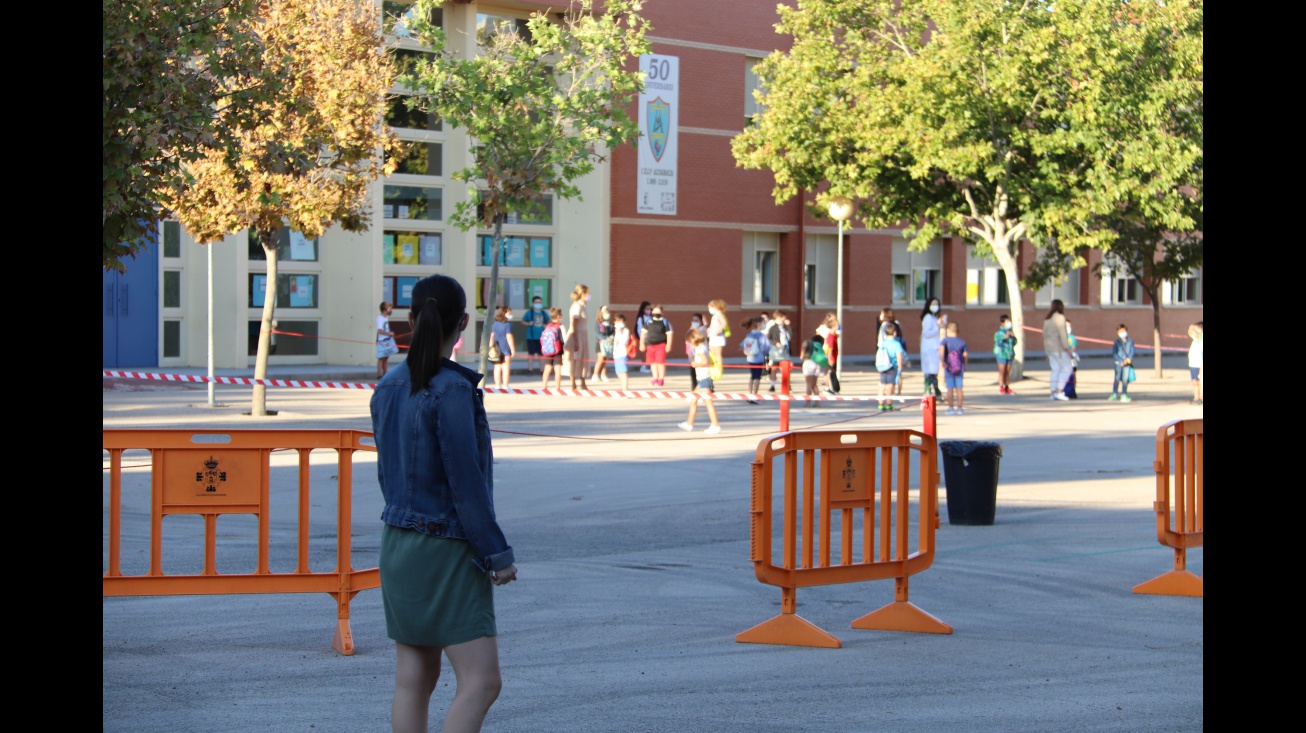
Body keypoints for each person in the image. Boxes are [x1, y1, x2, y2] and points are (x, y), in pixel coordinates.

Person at [368, 274, 517, 733]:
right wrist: (496, 552)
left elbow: (387, 474)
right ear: (464, 324)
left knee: (413, 680)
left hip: (398, 544)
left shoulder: (387, 387)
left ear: (409, 320)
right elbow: (465, 482)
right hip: (446, 547)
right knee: (482, 681)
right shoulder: (452, 390)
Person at [677, 327, 722, 434]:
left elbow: (705, 362)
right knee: (693, 400)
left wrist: (695, 364)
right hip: (701, 379)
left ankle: (715, 425)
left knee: (708, 402)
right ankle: (689, 423)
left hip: (704, 379)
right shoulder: (704, 347)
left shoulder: (700, 349)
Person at [1042, 299, 1073, 401]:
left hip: (1049, 348)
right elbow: (1063, 334)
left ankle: (1052, 392)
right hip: (1058, 348)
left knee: (1055, 369)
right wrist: (1067, 348)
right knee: (1067, 368)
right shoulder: (1060, 317)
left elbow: (1044, 335)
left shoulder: (1047, 319)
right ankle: (1059, 391)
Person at [875, 322, 907, 412]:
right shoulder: (896, 344)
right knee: (890, 385)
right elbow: (899, 356)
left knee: (882, 385)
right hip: (891, 367)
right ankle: (889, 404)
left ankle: (880, 405)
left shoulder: (883, 343)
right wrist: (900, 367)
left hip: (882, 366)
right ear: (895, 333)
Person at [939, 321, 969, 415]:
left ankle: (950, 408)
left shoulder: (945, 341)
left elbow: (941, 351)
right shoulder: (962, 341)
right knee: (959, 388)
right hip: (959, 367)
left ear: (948, 330)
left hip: (949, 367)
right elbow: (965, 354)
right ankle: (960, 408)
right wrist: (965, 365)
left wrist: (942, 362)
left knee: (950, 388)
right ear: (957, 331)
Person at [877, 308, 908, 396]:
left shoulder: (884, 325)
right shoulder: (896, 323)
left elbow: (880, 341)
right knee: (898, 372)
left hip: (887, 353)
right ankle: (898, 391)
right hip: (897, 351)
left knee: (885, 379)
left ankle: (886, 397)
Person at [640, 304, 673, 387]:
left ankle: (661, 379)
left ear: (662, 312)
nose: (656, 313)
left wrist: (668, 345)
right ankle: (655, 378)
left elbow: (669, 334)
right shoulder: (648, 321)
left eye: (658, 311)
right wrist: (642, 344)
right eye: (654, 311)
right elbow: (643, 333)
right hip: (650, 345)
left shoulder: (665, 322)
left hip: (661, 345)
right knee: (653, 363)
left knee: (660, 362)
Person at [565, 284, 591, 390]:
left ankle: (583, 382)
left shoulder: (583, 306)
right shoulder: (577, 306)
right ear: (583, 294)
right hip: (576, 334)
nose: (589, 295)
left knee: (583, 358)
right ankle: (573, 383)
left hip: (583, 334)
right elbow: (573, 324)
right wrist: (575, 340)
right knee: (574, 358)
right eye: (587, 293)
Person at [738, 316, 769, 403]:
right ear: (759, 324)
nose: (764, 325)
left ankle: (750, 394)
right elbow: (765, 347)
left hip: (750, 357)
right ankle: (755, 395)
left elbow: (743, 344)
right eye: (763, 323)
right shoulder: (761, 336)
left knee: (752, 376)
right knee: (757, 377)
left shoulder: (749, 334)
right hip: (758, 357)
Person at [919, 297, 945, 400]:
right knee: (929, 371)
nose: (935, 306)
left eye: (937, 304)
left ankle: (935, 392)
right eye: (933, 304)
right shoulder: (928, 318)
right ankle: (928, 392)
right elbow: (927, 333)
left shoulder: (934, 317)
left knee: (934, 372)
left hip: (934, 348)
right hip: (929, 349)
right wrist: (938, 327)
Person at [489, 305, 515, 390]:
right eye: (509, 313)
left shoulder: (495, 323)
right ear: (505, 313)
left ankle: (497, 384)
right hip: (505, 347)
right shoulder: (507, 325)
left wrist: (491, 346)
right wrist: (513, 349)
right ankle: (505, 384)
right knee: (506, 366)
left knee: (497, 366)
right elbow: (509, 337)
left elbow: (492, 335)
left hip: (496, 347)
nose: (511, 314)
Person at [520, 295, 547, 375]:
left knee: (541, 355)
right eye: (536, 302)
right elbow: (523, 321)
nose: (538, 304)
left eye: (539, 302)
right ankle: (530, 370)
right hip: (531, 337)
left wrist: (546, 325)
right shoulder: (529, 312)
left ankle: (542, 370)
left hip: (542, 337)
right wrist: (528, 323)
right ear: (533, 303)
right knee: (531, 354)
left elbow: (549, 321)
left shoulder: (544, 313)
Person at [765, 310, 791, 393]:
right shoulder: (773, 327)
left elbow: (790, 335)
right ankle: (773, 385)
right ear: (779, 317)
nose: (784, 319)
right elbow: (768, 338)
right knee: (774, 368)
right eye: (783, 317)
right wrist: (775, 343)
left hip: (785, 349)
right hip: (776, 351)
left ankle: (787, 384)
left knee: (786, 369)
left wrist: (788, 326)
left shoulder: (785, 327)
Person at [801, 334, 829, 409]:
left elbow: (802, 356)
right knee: (814, 384)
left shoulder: (808, 343)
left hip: (809, 363)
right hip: (817, 364)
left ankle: (808, 402)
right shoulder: (820, 347)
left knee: (809, 384)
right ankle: (817, 402)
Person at [1109, 323, 1135, 402]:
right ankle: (1114, 393)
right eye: (1120, 331)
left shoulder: (1130, 341)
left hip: (1127, 363)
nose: (1122, 333)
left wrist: (1128, 359)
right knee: (1116, 379)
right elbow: (1114, 353)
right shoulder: (1117, 342)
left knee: (1125, 380)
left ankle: (1124, 394)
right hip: (1118, 363)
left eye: (1123, 331)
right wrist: (1120, 361)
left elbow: (1132, 351)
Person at [539, 307, 564, 390]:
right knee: (557, 368)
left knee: (547, 368)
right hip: (558, 350)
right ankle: (557, 387)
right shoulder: (560, 326)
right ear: (558, 316)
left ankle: (544, 386)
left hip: (547, 350)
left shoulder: (548, 326)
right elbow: (563, 339)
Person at [817, 313, 841, 394]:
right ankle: (829, 388)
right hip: (831, 358)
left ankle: (834, 388)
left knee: (832, 372)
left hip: (834, 356)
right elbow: (830, 349)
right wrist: (830, 359)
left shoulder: (833, 335)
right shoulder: (830, 336)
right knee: (829, 373)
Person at [993, 314, 1017, 395]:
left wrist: (1013, 337)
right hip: (1001, 354)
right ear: (1002, 323)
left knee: (1007, 371)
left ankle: (1007, 387)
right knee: (1002, 371)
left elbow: (1014, 343)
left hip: (1009, 354)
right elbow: (997, 343)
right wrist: (1004, 337)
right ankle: (1001, 387)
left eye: (1009, 321)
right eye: (1007, 322)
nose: (1009, 323)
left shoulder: (1010, 332)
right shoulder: (999, 333)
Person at [707, 299, 729, 383]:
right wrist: (709, 329)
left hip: (718, 337)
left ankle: (719, 369)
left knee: (717, 354)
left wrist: (718, 330)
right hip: (713, 336)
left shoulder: (719, 314)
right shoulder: (715, 315)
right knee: (712, 353)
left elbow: (724, 323)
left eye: (710, 307)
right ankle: (713, 367)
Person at [377, 301, 400, 380]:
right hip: (382, 341)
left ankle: (385, 373)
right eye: (389, 309)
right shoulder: (380, 319)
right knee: (381, 357)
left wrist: (390, 334)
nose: (390, 311)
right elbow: (379, 331)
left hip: (388, 340)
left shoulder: (386, 318)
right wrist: (388, 333)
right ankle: (380, 374)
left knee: (386, 357)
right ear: (384, 310)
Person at [593, 305, 615, 383]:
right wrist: (605, 338)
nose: (607, 313)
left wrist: (612, 338)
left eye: (607, 312)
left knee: (605, 360)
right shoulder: (598, 323)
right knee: (600, 359)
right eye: (605, 312)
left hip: (608, 344)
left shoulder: (610, 323)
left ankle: (603, 375)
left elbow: (612, 332)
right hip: (600, 344)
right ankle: (595, 374)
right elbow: (598, 334)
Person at [686, 313, 707, 390]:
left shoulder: (702, 329)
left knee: (701, 376)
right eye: (693, 320)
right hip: (692, 355)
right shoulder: (691, 330)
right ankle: (694, 390)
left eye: (696, 320)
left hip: (699, 356)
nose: (694, 322)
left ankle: (703, 389)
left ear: (701, 321)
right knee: (693, 375)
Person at [612, 314, 632, 393]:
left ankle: (625, 388)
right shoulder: (615, 331)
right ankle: (623, 386)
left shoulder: (625, 330)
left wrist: (619, 332)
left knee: (623, 371)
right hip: (616, 354)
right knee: (618, 372)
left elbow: (624, 341)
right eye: (617, 321)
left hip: (623, 353)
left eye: (621, 321)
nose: (619, 323)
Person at [633, 301, 653, 374]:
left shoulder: (652, 318)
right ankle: (643, 367)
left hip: (652, 338)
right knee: (644, 353)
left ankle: (650, 366)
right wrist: (643, 338)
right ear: (643, 309)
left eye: (650, 309)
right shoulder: (641, 318)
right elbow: (639, 329)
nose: (648, 310)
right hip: (644, 338)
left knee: (650, 353)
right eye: (647, 309)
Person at [1063, 319, 1080, 399]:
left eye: (1069, 326)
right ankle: (1064, 390)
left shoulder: (1072, 337)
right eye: (1066, 326)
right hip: (1063, 358)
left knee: (1073, 374)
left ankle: (1073, 390)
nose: (1068, 328)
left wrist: (1070, 352)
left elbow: (1073, 346)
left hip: (1071, 359)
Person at [1187, 321, 1203, 405]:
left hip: (1199, 364)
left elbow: (1193, 328)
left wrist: (1197, 329)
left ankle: (1201, 397)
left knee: (1200, 381)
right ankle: (1196, 397)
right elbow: (1191, 329)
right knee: (1194, 381)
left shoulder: (1201, 340)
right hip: (1193, 363)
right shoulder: (1195, 339)